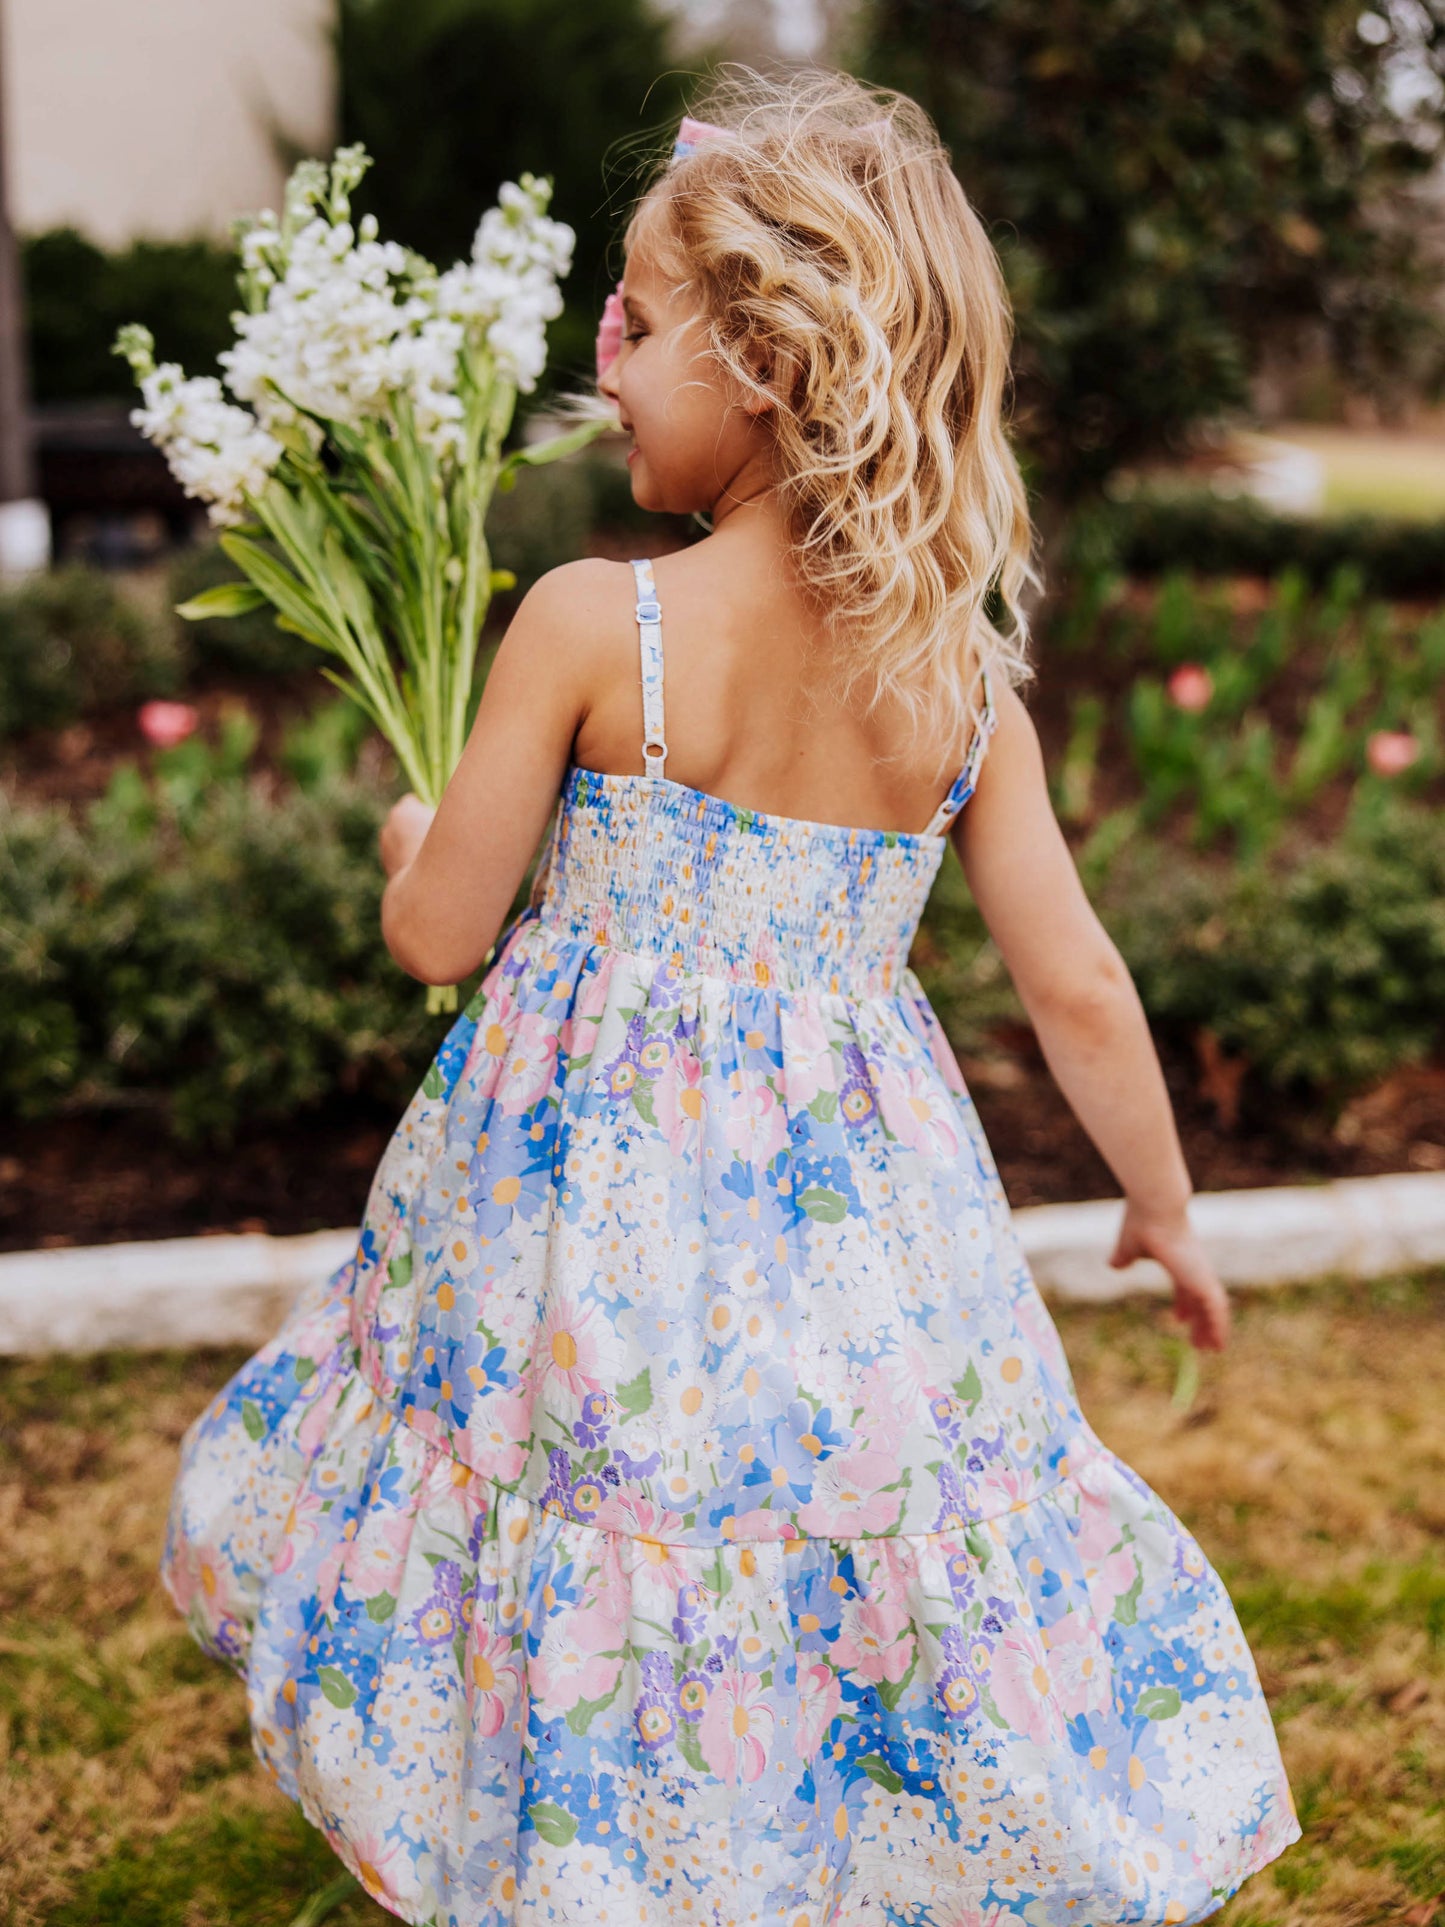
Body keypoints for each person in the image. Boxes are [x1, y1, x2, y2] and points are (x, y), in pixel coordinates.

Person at [161, 67, 1300, 1927]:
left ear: (762, 355)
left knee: (612, 1539)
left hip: (589, 1269)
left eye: (632, 317)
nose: (599, 356)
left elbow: (437, 934)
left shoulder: (594, 621)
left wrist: (404, 832)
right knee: (805, 1552)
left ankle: (613, 1864)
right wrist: (1162, 1211)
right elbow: (1077, 983)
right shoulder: (957, 689)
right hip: (856, 1251)